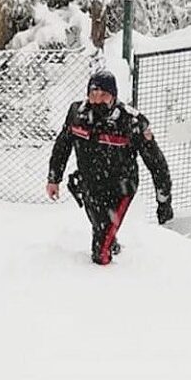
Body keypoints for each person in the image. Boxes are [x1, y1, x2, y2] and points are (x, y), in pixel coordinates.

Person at [46, 70, 173, 266]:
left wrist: (164, 202)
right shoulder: (76, 114)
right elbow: (62, 145)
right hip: (89, 183)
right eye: (93, 94)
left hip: (120, 188)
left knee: (100, 252)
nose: (97, 100)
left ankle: (102, 281)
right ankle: (111, 243)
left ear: (113, 96)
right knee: (100, 227)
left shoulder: (131, 122)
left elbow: (156, 163)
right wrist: (54, 178)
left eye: (103, 95)